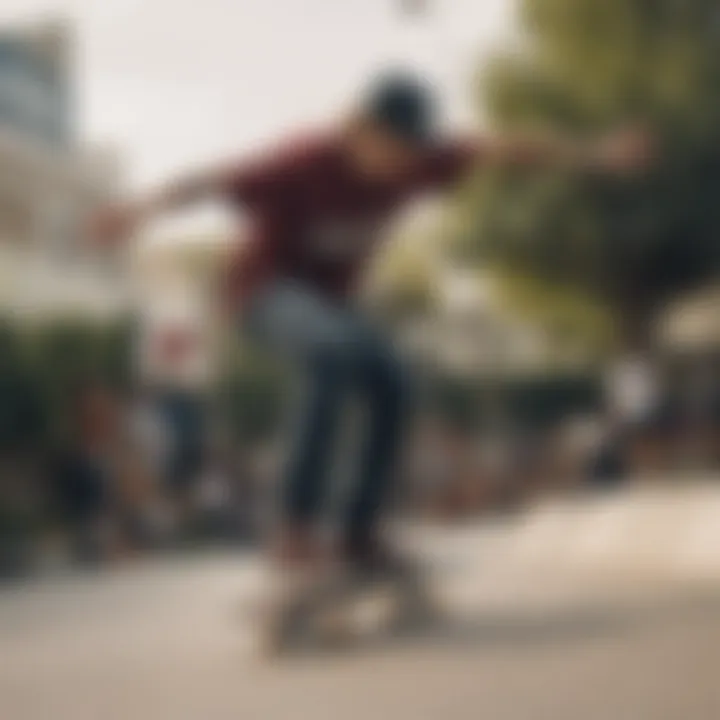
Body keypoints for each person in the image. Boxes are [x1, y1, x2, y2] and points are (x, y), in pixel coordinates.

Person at [89, 71, 651, 576]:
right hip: (261, 294)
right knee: (332, 351)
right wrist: (138, 211)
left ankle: (358, 532)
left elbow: (505, 148)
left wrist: (594, 154)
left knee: (396, 381)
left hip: (331, 307)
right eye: (390, 149)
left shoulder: (424, 161)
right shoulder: (302, 160)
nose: (400, 164)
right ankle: (296, 525)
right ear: (358, 129)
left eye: (410, 153)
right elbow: (209, 182)